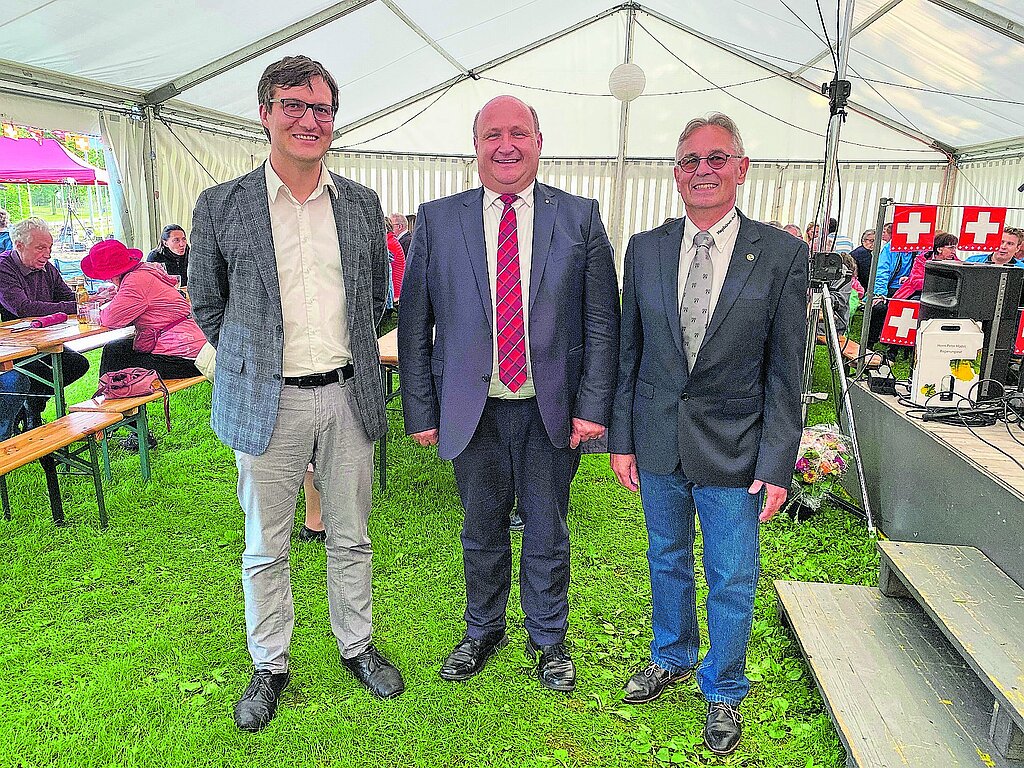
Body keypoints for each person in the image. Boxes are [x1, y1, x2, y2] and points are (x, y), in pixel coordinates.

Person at [189, 54, 404, 734]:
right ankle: (269, 663)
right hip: (265, 402)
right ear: (265, 113)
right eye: (293, 105)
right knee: (264, 545)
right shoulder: (221, 204)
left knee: (352, 536)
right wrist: (256, 362)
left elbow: (378, 299)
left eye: (321, 109)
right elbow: (207, 304)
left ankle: (358, 647)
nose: (309, 120)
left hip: (347, 393)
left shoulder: (362, 204)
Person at [399, 95, 619, 693]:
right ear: (476, 146)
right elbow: (414, 323)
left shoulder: (580, 217)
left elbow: (602, 321)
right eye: (493, 134)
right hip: (472, 409)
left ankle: (548, 639)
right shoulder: (438, 221)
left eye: (519, 133)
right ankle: (482, 629)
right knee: (481, 525)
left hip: (551, 409)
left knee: (548, 526)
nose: (507, 145)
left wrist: (592, 407)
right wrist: (421, 407)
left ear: (539, 142)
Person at [608, 113, 807, 757]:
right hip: (659, 440)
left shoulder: (781, 256)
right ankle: (670, 654)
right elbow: (627, 354)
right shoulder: (645, 248)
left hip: (736, 449)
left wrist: (777, 464)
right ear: (675, 174)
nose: (703, 171)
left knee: (730, 573)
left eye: (716, 158)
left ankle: (722, 687)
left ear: (741, 169)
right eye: (690, 161)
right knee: (665, 558)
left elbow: (786, 371)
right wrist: (622, 438)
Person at [79, 239, 210, 378]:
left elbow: (110, 319)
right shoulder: (144, 272)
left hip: (185, 355)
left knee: (114, 358)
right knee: (114, 348)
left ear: (113, 274)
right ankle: (111, 392)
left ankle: (110, 392)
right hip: (195, 345)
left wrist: (94, 308)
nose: (106, 280)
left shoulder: (135, 281)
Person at [0, 217, 90, 418]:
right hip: (16, 345)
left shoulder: (46, 267)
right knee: (36, 373)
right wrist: (75, 306)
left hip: (46, 339)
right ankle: (31, 412)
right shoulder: (3, 267)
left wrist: (87, 300)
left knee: (76, 364)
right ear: (19, 245)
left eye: (49, 248)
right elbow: (23, 308)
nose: (48, 254)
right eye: (41, 248)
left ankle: (32, 406)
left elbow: (67, 297)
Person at [891, 232, 958, 300]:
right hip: (918, 293)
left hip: (944, 297)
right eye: (951, 248)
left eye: (955, 248)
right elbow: (916, 282)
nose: (954, 251)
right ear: (939, 249)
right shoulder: (922, 260)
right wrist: (939, 284)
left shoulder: (957, 264)